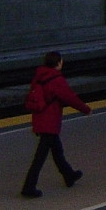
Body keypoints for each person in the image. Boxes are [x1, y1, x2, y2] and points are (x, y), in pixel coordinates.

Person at [20, 51, 92, 199]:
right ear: (58, 63)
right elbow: (70, 97)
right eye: (61, 61)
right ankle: (29, 187)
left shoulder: (39, 76)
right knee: (40, 157)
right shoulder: (56, 80)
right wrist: (86, 109)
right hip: (50, 121)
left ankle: (69, 175)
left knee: (57, 151)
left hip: (40, 118)